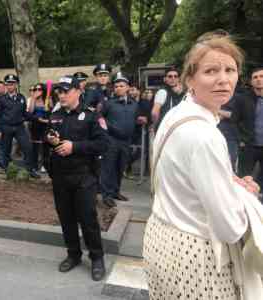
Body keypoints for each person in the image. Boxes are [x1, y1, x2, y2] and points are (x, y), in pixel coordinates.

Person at [143, 32, 262, 299]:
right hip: (196, 257)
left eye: (230, 69)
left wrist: (228, 181)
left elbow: (184, 176)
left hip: (160, 237)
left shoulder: (175, 115)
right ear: (189, 79)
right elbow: (229, 227)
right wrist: (247, 195)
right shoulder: (206, 136)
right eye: (210, 70)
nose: (223, 79)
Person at [47, 75, 109, 281]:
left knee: (87, 219)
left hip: (84, 177)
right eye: (59, 92)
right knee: (66, 219)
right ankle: (73, 254)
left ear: (78, 91)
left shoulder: (91, 116)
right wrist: (52, 141)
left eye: (66, 91)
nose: (62, 95)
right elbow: (49, 140)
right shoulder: (55, 115)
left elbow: (102, 144)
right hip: (61, 177)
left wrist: (75, 146)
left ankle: (97, 258)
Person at [100, 74, 144, 206]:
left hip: (126, 141)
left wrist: (139, 121)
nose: (118, 88)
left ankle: (115, 191)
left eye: (121, 86)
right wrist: (108, 129)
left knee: (120, 167)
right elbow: (100, 118)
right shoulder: (108, 104)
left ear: (128, 88)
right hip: (111, 140)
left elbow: (136, 119)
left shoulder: (134, 104)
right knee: (109, 168)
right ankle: (106, 195)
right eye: (116, 86)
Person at [0, 74, 40, 178]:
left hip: (19, 127)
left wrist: (37, 118)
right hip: (6, 127)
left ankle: (30, 170)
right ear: (6, 85)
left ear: (16, 85)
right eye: (8, 84)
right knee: (6, 149)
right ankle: (5, 170)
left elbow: (24, 114)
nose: (10, 86)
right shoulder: (1, 99)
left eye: (12, 84)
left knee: (28, 147)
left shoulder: (21, 98)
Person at [234, 66, 263, 189]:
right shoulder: (243, 99)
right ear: (251, 82)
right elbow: (234, 121)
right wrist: (240, 140)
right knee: (243, 180)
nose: (258, 79)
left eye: (261, 76)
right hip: (248, 146)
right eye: (255, 77)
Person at [27, 83, 52, 172]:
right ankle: (34, 165)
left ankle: (45, 165)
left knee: (45, 146)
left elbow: (52, 114)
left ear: (43, 90)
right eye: (35, 89)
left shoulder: (48, 100)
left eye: (39, 89)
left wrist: (47, 109)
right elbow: (30, 112)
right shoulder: (33, 100)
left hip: (45, 126)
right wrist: (33, 98)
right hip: (35, 125)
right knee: (35, 146)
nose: (37, 91)